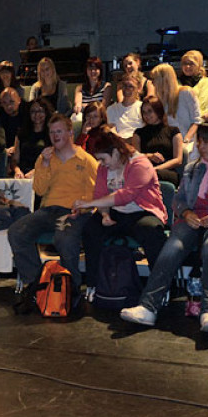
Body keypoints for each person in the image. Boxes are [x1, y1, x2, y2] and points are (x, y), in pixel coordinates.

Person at [120, 121, 208, 333]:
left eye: (206, 142)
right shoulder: (193, 169)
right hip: (193, 220)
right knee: (172, 247)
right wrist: (186, 213)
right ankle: (148, 307)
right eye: (199, 142)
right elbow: (178, 200)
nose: (201, 146)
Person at [8, 113, 99, 313]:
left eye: (59, 131)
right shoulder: (45, 158)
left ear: (69, 133)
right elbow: (39, 190)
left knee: (64, 239)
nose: (55, 136)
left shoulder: (86, 160)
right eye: (51, 132)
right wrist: (46, 165)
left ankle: (71, 289)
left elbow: (96, 192)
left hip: (75, 211)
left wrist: (82, 208)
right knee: (16, 232)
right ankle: (37, 284)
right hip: (49, 210)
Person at [76, 127, 168, 302]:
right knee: (90, 230)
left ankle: (159, 288)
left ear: (117, 152)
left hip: (142, 211)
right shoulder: (103, 169)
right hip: (117, 212)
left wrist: (90, 204)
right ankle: (93, 284)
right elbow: (101, 194)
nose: (101, 164)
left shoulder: (140, 163)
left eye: (103, 159)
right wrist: (103, 215)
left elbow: (126, 195)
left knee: (151, 231)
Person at [131, 95, 184, 186]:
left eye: (150, 111)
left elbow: (178, 160)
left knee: (148, 176)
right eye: (144, 112)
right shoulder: (138, 133)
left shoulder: (174, 131)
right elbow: (135, 158)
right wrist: (149, 156)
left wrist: (157, 169)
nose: (146, 115)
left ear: (158, 111)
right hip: (145, 169)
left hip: (166, 171)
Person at [149, 63, 202, 151]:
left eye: (154, 79)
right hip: (170, 143)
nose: (152, 83)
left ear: (163, 80)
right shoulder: (159, 101)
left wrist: (186, 141)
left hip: (189, 143)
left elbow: (196, 121)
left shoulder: (186, 92)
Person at [12, 97, 53, 178]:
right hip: (23, 175)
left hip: (44, 174)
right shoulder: (21, 133)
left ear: (46, 113)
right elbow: (15, 160)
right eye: (33, 111)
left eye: (40, 111)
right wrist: (17, 171)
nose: (37, 114)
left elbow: (54, 160)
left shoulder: (51, 134)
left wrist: (35, 171)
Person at [105, 72, 144, 139]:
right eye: (124, 85)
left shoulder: (143, 108)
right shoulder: (111, 109)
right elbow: (111, 130)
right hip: (118, 144)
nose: (127, 88)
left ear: (139, 88)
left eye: (131, 86)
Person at [0, 86, 25, 166]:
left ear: (19, 100)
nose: (8, 106)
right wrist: (4, 150)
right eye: (4, 103)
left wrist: (17, 148)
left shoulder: (27, 113)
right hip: (6, 152)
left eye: (11, 102)